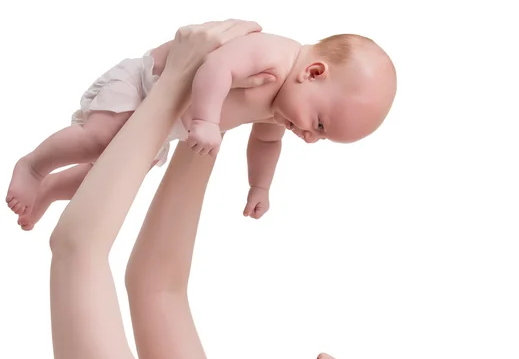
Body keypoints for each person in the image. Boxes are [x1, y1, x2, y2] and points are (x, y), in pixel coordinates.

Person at [0, 20, 435, 359]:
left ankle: (35, 168)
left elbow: (77, 248)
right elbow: (156, 286)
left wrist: (175, 82)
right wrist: (217, 116)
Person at [6, 27, 396, 230]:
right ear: (313, 73)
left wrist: (259, 186)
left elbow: (265, 144)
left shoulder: (279, 113)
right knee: (99, 140)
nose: (309, 137)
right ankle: (34, 166)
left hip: (162, 126)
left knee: (113, 178)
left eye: (321, 137)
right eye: (320, 124)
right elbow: (215, 68)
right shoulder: (275, 55)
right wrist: (208, 120)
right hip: (146, 86)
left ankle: (53, 190)